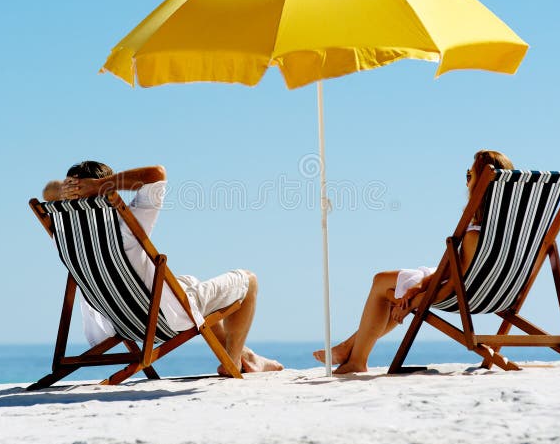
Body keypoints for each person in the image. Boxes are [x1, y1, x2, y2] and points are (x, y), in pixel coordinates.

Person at [43, 161, 283, 375]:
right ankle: (232, 361)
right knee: (248, 281)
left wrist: (70, 189)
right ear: (107, 191)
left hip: (117, 324)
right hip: (161, 321)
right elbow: (157, 173)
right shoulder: (128, 224)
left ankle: (248, 356)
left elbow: (47, 191)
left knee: (189, 283)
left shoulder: (62, 232)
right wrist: (102, 184)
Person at [313, 150, 514, 374]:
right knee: (395, 287)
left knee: (382, 284)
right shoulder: (509, 229)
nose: (466, 181)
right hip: (494, 290)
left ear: (483, 184)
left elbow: (456, 281)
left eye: (470, 176)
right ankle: (349, 348)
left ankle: (356, 359)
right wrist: (418, 286)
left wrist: (419, 297)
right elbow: (458, 271)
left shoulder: (474, 235)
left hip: (460, 291)